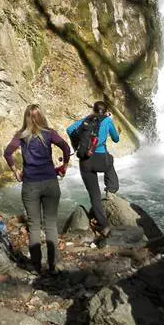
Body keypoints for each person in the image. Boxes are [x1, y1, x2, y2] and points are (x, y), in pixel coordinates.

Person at [3, 104, 71, 273]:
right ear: (42, 116)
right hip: (50, 182)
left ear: (25, 117)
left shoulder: (20, 136)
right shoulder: (49, 133)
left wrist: (15, 171)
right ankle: (53, 265)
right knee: (51, 225)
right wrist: (65, 166)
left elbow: (7, 153)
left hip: (30, 184)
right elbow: (66, 148)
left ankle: (36, 267)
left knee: (34, 226)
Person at [66, 101, 120, 237]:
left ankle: (104, 225)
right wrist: (110, 123)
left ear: (93, 109)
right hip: (102, 160)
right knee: (110, 160)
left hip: (85, 161)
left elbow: (69, 129)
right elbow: (116, 139)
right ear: (106, 111)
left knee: (94, 195)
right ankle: (111, 189)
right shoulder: (107, 121)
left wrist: (77, 142)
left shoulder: (87, 120)